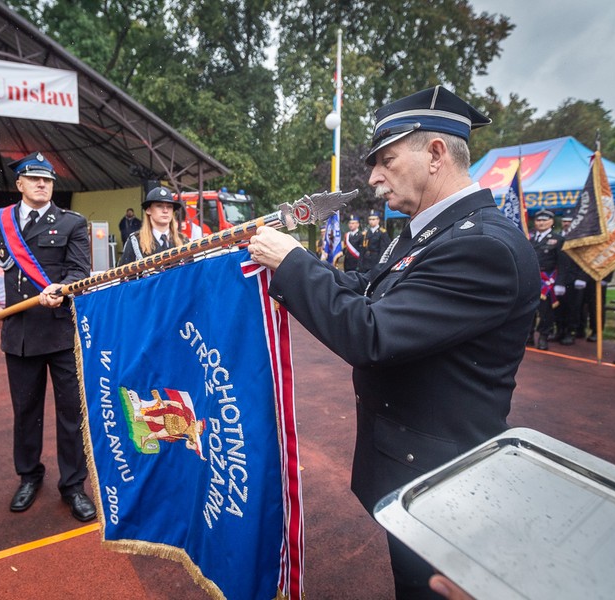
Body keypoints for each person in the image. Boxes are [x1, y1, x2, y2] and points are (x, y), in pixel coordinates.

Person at [247, 85, 540, 599]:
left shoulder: (482, 245)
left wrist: (292, 263)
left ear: (435, 153)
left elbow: (371, 333)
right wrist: (293, 262)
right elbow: (365, 289)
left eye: (386, 160)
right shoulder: (429, 232)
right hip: (414, 472)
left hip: (445, 483)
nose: (374, 178)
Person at [0, 151, 96, 522]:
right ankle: (29, 476)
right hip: (20, 334)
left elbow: (80, 271)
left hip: (61, 332)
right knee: (26, 412)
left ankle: (73, 485)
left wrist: (62, 287)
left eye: (48, 179)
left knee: (71, 413)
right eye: (34, 178)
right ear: (20, 184)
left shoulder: (72, 222)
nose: (42, 184)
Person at [118, 186, 186, 265]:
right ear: (148, 210)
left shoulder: (183, 241)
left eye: (169, 206)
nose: (165, 210)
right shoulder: (135, 241)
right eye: (159, 206)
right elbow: (123, 271)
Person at [529, 209, 566, 350]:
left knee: (545, 312)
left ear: (551, 222)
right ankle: (529, 336)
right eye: (538, 220)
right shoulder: (530, 238)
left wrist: (560, 283)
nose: (541, 223)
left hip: (547, 280)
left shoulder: (558, 239)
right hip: (531, 279)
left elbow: (563, 263)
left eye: (544, 220)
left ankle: (543, 337)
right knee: (529, 310)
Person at [556, 210, 587, 345]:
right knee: (559, 307)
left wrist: (582, 277)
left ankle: (571, 332)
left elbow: (586, 259)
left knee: (573, 307)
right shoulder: (558, 237)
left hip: (575, 279)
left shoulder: (580, 238)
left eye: (569, 221)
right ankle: (560, 331)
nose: (566, 224)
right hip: (560, 278)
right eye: (564, 221)